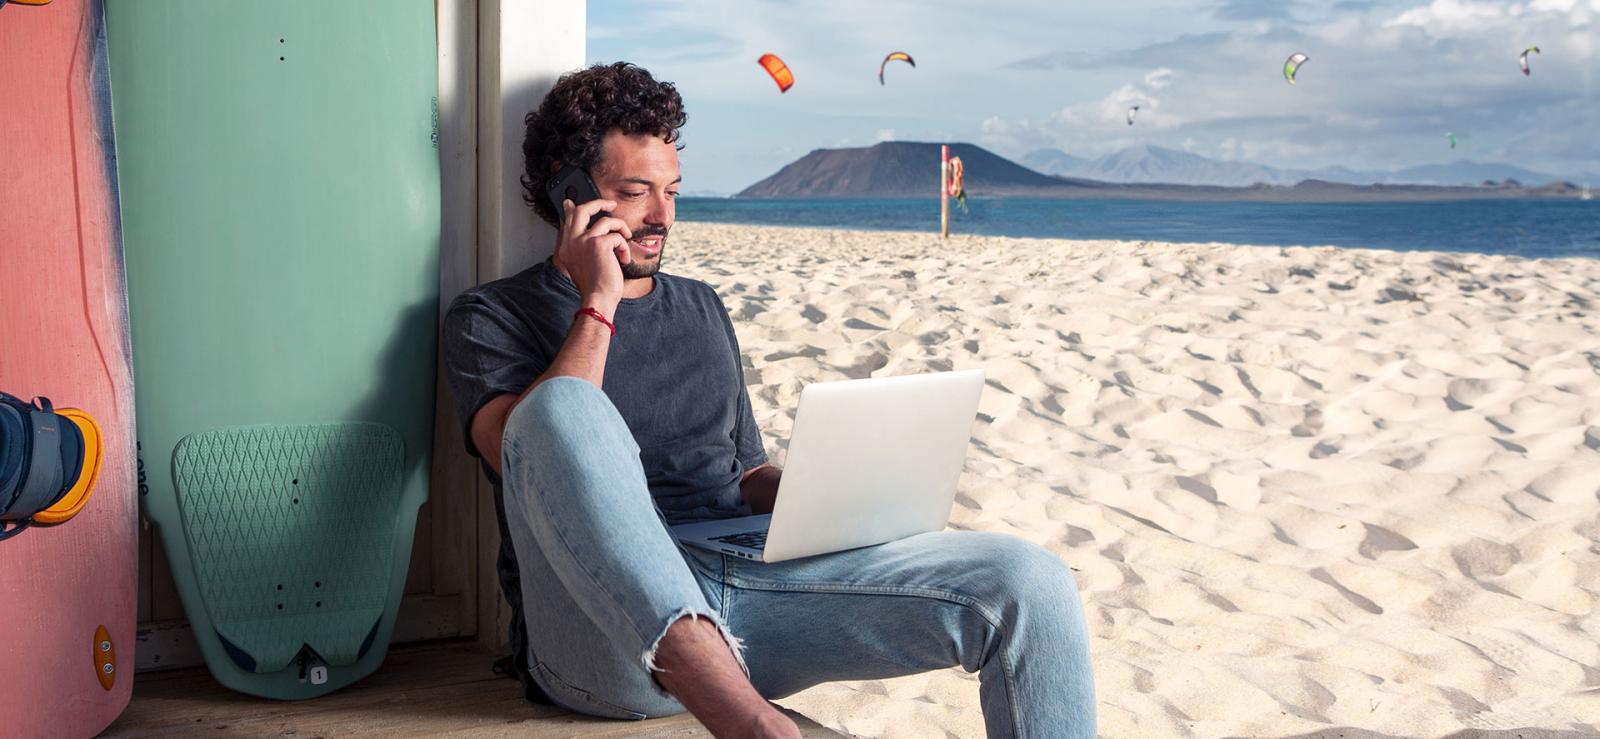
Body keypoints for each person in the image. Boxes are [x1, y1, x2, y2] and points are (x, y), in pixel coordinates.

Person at [442, 62, 1096, 739]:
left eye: (672, 190)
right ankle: (755, 725)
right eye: (636, 192)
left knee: (1031, 582)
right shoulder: (489, 316)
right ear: (570, 193)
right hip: (602, 633)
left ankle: (740, 692)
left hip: (751, 594)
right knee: (561, 408)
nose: (663, 215)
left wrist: (833, 497)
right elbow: (522, 453)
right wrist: (599, 300)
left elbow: (744, 473)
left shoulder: (700, 307)